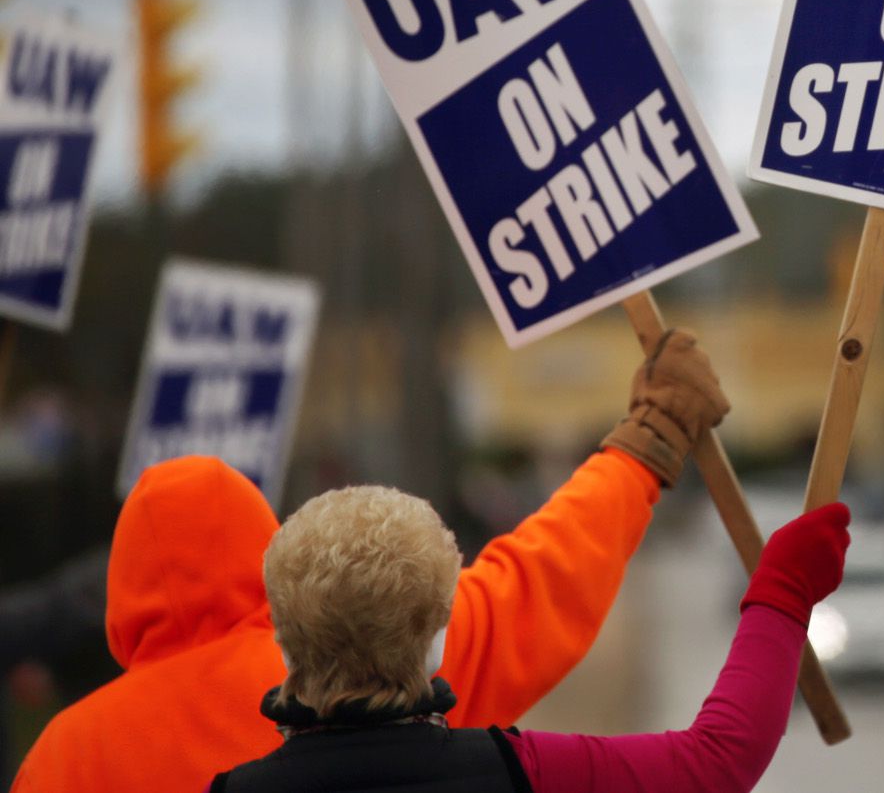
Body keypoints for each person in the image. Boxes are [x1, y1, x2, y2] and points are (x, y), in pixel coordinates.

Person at [11, 330, 729, 793]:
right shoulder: (361, 666)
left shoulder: (66, 755)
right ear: (268, 552)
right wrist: (650, 438)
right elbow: (540, 576)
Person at [211, 486, 850, 793]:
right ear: (438, 636)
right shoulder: (519, 770)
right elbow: (718, 761)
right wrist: (781, 595)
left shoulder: (229, 792)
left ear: (287, 641)